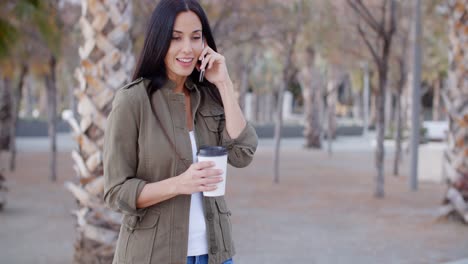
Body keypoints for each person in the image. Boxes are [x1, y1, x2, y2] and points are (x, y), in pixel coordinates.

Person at [103, 1, 258, 264]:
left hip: (215, 254)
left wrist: (223, 83)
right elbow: (116, 192)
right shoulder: (133, 101)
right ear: (159, 41)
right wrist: (179, 184)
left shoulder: (208, 97)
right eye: (176, 38)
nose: (187, 48)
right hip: (154, 255)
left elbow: (243, 153)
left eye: (195, 37)